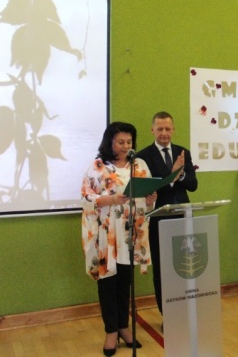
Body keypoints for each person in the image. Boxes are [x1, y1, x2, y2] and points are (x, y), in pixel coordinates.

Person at [81, 122, 157, 356]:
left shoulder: (139, 165)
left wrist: (151, 199)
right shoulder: (97, 167)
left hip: (130, 234)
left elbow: (147, 198)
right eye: (120, 142)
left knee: (125, 282)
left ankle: (124, 327)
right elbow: (86, 198)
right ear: (110, 142)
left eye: (129, 142)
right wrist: (111, 200)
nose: (125, 146)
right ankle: (111, 331)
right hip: (106, 234)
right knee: (108, 283)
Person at [136, 111, 198, 318]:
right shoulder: (143, 156)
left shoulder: (183, 152)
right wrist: (173, 175)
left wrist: (180, 175)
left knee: (184, 265)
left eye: (168, 129)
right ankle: (167, 315)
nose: (164, 133)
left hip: (183, 217)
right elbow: (148, 189)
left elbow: (193, 185)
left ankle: (184, 310)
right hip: (158, 219)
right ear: (152, 130)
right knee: (163, 268)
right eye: (160, 129)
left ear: (173, 130)